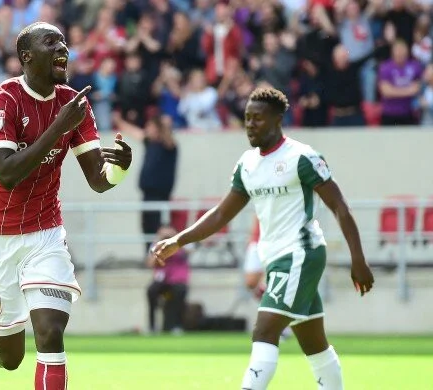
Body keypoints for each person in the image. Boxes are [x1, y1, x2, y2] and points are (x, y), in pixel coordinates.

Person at [152, 87, 374, 390]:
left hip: (300, 253)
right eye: (247, 118)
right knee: (314, 344)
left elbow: (340, 208)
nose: (250, 124)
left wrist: (358, 260)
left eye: (258, 118)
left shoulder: (301, 157)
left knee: (264, 330)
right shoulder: (247, 164)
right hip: (276, 258)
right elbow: (220, 215)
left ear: (278, 119)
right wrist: (179, 240)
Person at [0, 22, 133, 390]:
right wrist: (57, 128)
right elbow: (7, 173)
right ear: (27, 56)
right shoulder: (1, 101)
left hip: (45, 235)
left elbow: (98, 180)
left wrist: (120, 170)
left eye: (64, 42)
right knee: (11, 360)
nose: (63, 48)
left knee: (50, 334)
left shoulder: (74, 104)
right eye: (51, 42)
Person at [145, 225, 189, 335]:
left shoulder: (181, 244)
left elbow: (186, 254)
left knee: (180, 291)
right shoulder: (156, 246)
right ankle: (152, 327)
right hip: (162, 281)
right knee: (151, 291)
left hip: (177, 281)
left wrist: (174, 241)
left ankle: (177, 326)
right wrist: (159, 246)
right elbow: (150, 264)